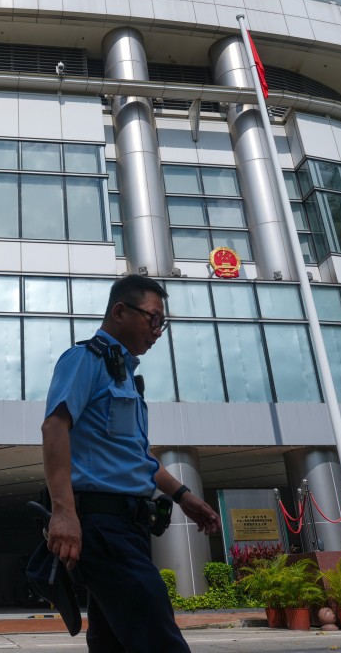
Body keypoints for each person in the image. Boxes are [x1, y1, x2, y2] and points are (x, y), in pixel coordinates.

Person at [41, 274, 221, 652]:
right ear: (120, 311)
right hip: (102, 527)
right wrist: (63, 513)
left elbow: (139, 458)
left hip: (129, 529)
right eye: (153, 318)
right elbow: (54, 427)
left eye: (163, 323)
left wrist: (185, 496)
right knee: (158, 634)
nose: (158, 330)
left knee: (113, 642)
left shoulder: (125, 377)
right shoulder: (83, 360)